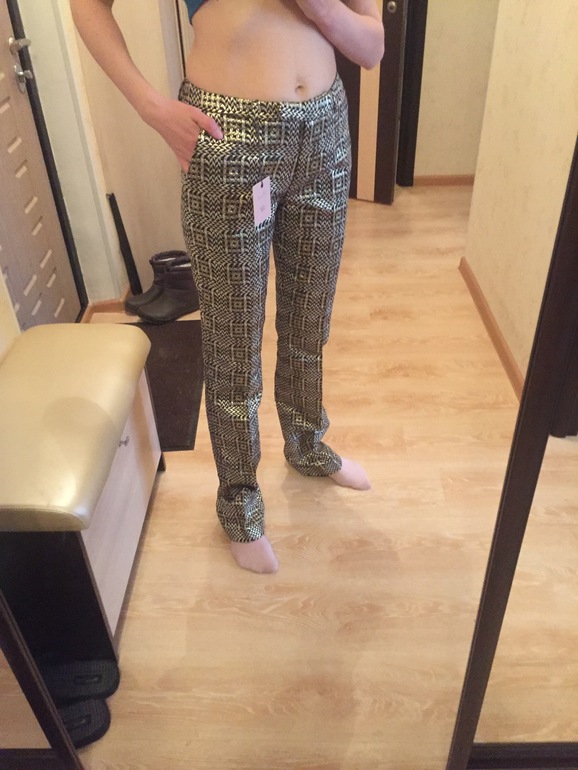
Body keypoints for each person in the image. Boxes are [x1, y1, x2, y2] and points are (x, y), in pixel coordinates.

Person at [71, 0, 384, 574]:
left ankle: (307, 443)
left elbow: (371, 46)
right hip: (227, 135)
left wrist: (320, 8)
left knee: (309, 320)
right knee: (233, 340)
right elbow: (87, 6)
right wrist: (151, 107)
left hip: (326, 131)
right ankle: (238, 501)